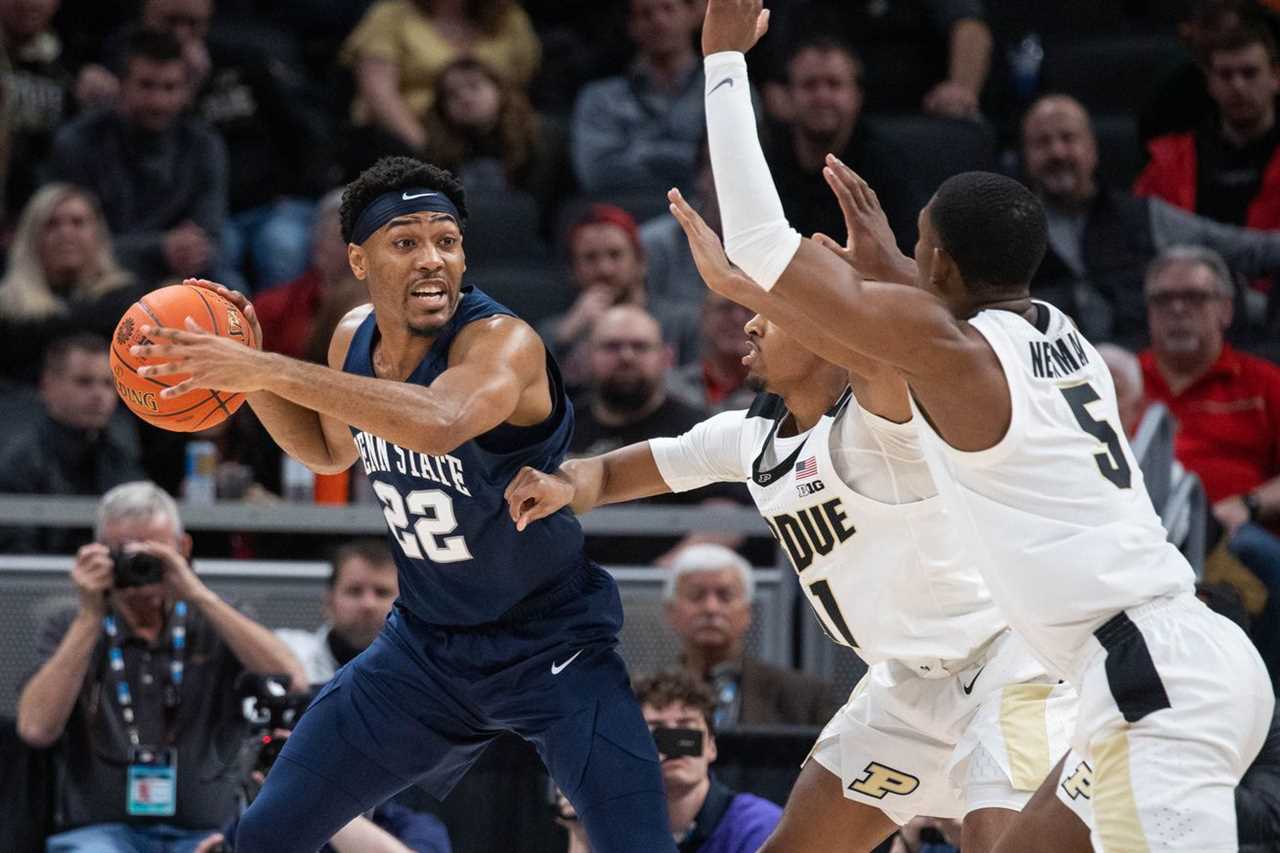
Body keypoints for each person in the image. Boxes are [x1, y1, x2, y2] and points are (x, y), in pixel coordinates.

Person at [685, 3, 1273, 850]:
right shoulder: (1048, 327)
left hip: (1153, 677)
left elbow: (757, 237)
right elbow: (918, 304)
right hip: (1159, 661)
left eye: (917, 247)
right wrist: (886, 255)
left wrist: (723, 63)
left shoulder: (956, 357)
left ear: (940, 265)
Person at [506, 172, 1077, 850]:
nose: (748, 322)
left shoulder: (881, 419)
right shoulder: (747, 438)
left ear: (826, 336)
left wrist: (753, 278)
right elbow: (609, 472)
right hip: (904, 681)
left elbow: (882, 333)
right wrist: (563, 484)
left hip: (1005, 663)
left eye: (770, 313)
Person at [126, 155, 675, 853]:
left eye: (446, 240)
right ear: (359, 258)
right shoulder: (354, 335)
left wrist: (263, 368)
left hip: (551, 644)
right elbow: (329, 450)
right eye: (406, 241)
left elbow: (439, 421)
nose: (432, 260)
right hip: (424, 651)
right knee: (264, 834)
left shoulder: (502, 342)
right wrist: (244, 364)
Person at [14, 481, 306, 852]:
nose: (138, 566)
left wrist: (197, 593)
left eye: (151, 553)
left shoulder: (216, 618)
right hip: (99, 833)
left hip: (206, 832)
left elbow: (292, 679)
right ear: (97, 554)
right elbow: (36, 728)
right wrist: (90, 617)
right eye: (121, 553)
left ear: (183, 549)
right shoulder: (70, 622)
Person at [1021, 93, 1280, 349]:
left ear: (1092, 149)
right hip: (1050, 378)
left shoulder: (1144, 216)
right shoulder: (1011, 233)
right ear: (1026, 156)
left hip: (1150, 375)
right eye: (1042, 142)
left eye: (1068, 138)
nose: (1056, 152)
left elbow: (1249, 250)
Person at [47, 26, 228, 286]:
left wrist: (186, 251)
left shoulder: (205, 145)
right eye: (146, 86)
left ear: (186, 92)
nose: (158, 101)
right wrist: (160, 249)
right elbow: (71, 246)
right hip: (93, 279)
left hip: (179, 280)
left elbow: (207, 238)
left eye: (170, 87)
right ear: (121, 85)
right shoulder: (77, 142)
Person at [764, 34, 925, 253]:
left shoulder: (888, 164)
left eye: (834, 84)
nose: (822, 96)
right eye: (809, 85)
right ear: (789, 95)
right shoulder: (765, 160)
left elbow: (907, 257)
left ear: (856, 96)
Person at [340, 0, 540, 159]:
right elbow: (378, 94)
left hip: (500, 141)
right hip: (408, 143)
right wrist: (427, 149)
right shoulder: (391, 14)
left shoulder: (508, 16)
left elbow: (524, 83)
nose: (464, 95)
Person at [0, 333, 145, 554]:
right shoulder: (19, 461)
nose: (99, 395)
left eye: (108, 383)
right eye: (84, 382)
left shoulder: (122, 457)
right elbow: (16, 553)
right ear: (48, 385)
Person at [664, 545, 838, 728]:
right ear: (670, 611)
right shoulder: (639, 698)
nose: (711, 608)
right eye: (696, 596)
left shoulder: (805, 698)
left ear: (748, 612)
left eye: (725, 596)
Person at [1136, 19, 1280, 231]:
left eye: (1250, 73)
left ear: (1276, 77)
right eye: (1225, 75)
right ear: (1209, 82)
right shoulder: (1168, 166)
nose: (1238, 86)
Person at [539, 204, 699, 388]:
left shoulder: (684, 323)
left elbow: (698, 390)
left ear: (641, 262)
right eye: (590, 258)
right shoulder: (557, 333)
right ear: (573, 270)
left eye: (615, 255)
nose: (604, 269)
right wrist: (566, 336)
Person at [0, 183, 143, 385]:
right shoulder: (8, 310)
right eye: (52, 224)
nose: (66, 233)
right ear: (32, 236)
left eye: (78, 223)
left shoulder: (126, 301)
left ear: (97, 234)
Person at [424, 56, 572, 235]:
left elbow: (551, 204)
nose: (464, 98)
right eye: (452, 95)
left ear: (500, 90)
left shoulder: (542, 137)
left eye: (474, 86)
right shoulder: (437, 151)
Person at [571, 0, 705, 196]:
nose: (659, 21)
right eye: (646, 14)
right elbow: (596, 174)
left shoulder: (725, 90)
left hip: (706, 214)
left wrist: (640, 153)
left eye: (668, 8)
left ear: (694, 14)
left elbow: (733, 168)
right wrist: (691, 159)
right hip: (626, 213)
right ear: (631, 26)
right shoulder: (600, 98)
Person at [254, 190, 366, 362]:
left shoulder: (392, 315)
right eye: (343, 240)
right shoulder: (271, 309)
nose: (355, 254)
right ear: (318, 244)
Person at [276, 539, 400, 687]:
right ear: (329, 601)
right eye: (354, 591)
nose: (368, 604)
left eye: (382, 593)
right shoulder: (286, 652)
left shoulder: (423, 673)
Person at [668, 293, 756, 413]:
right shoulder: (669, 391)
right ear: (704, 316)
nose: (738, 318)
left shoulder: (780, 397)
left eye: (750, 309)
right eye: (725, 308)